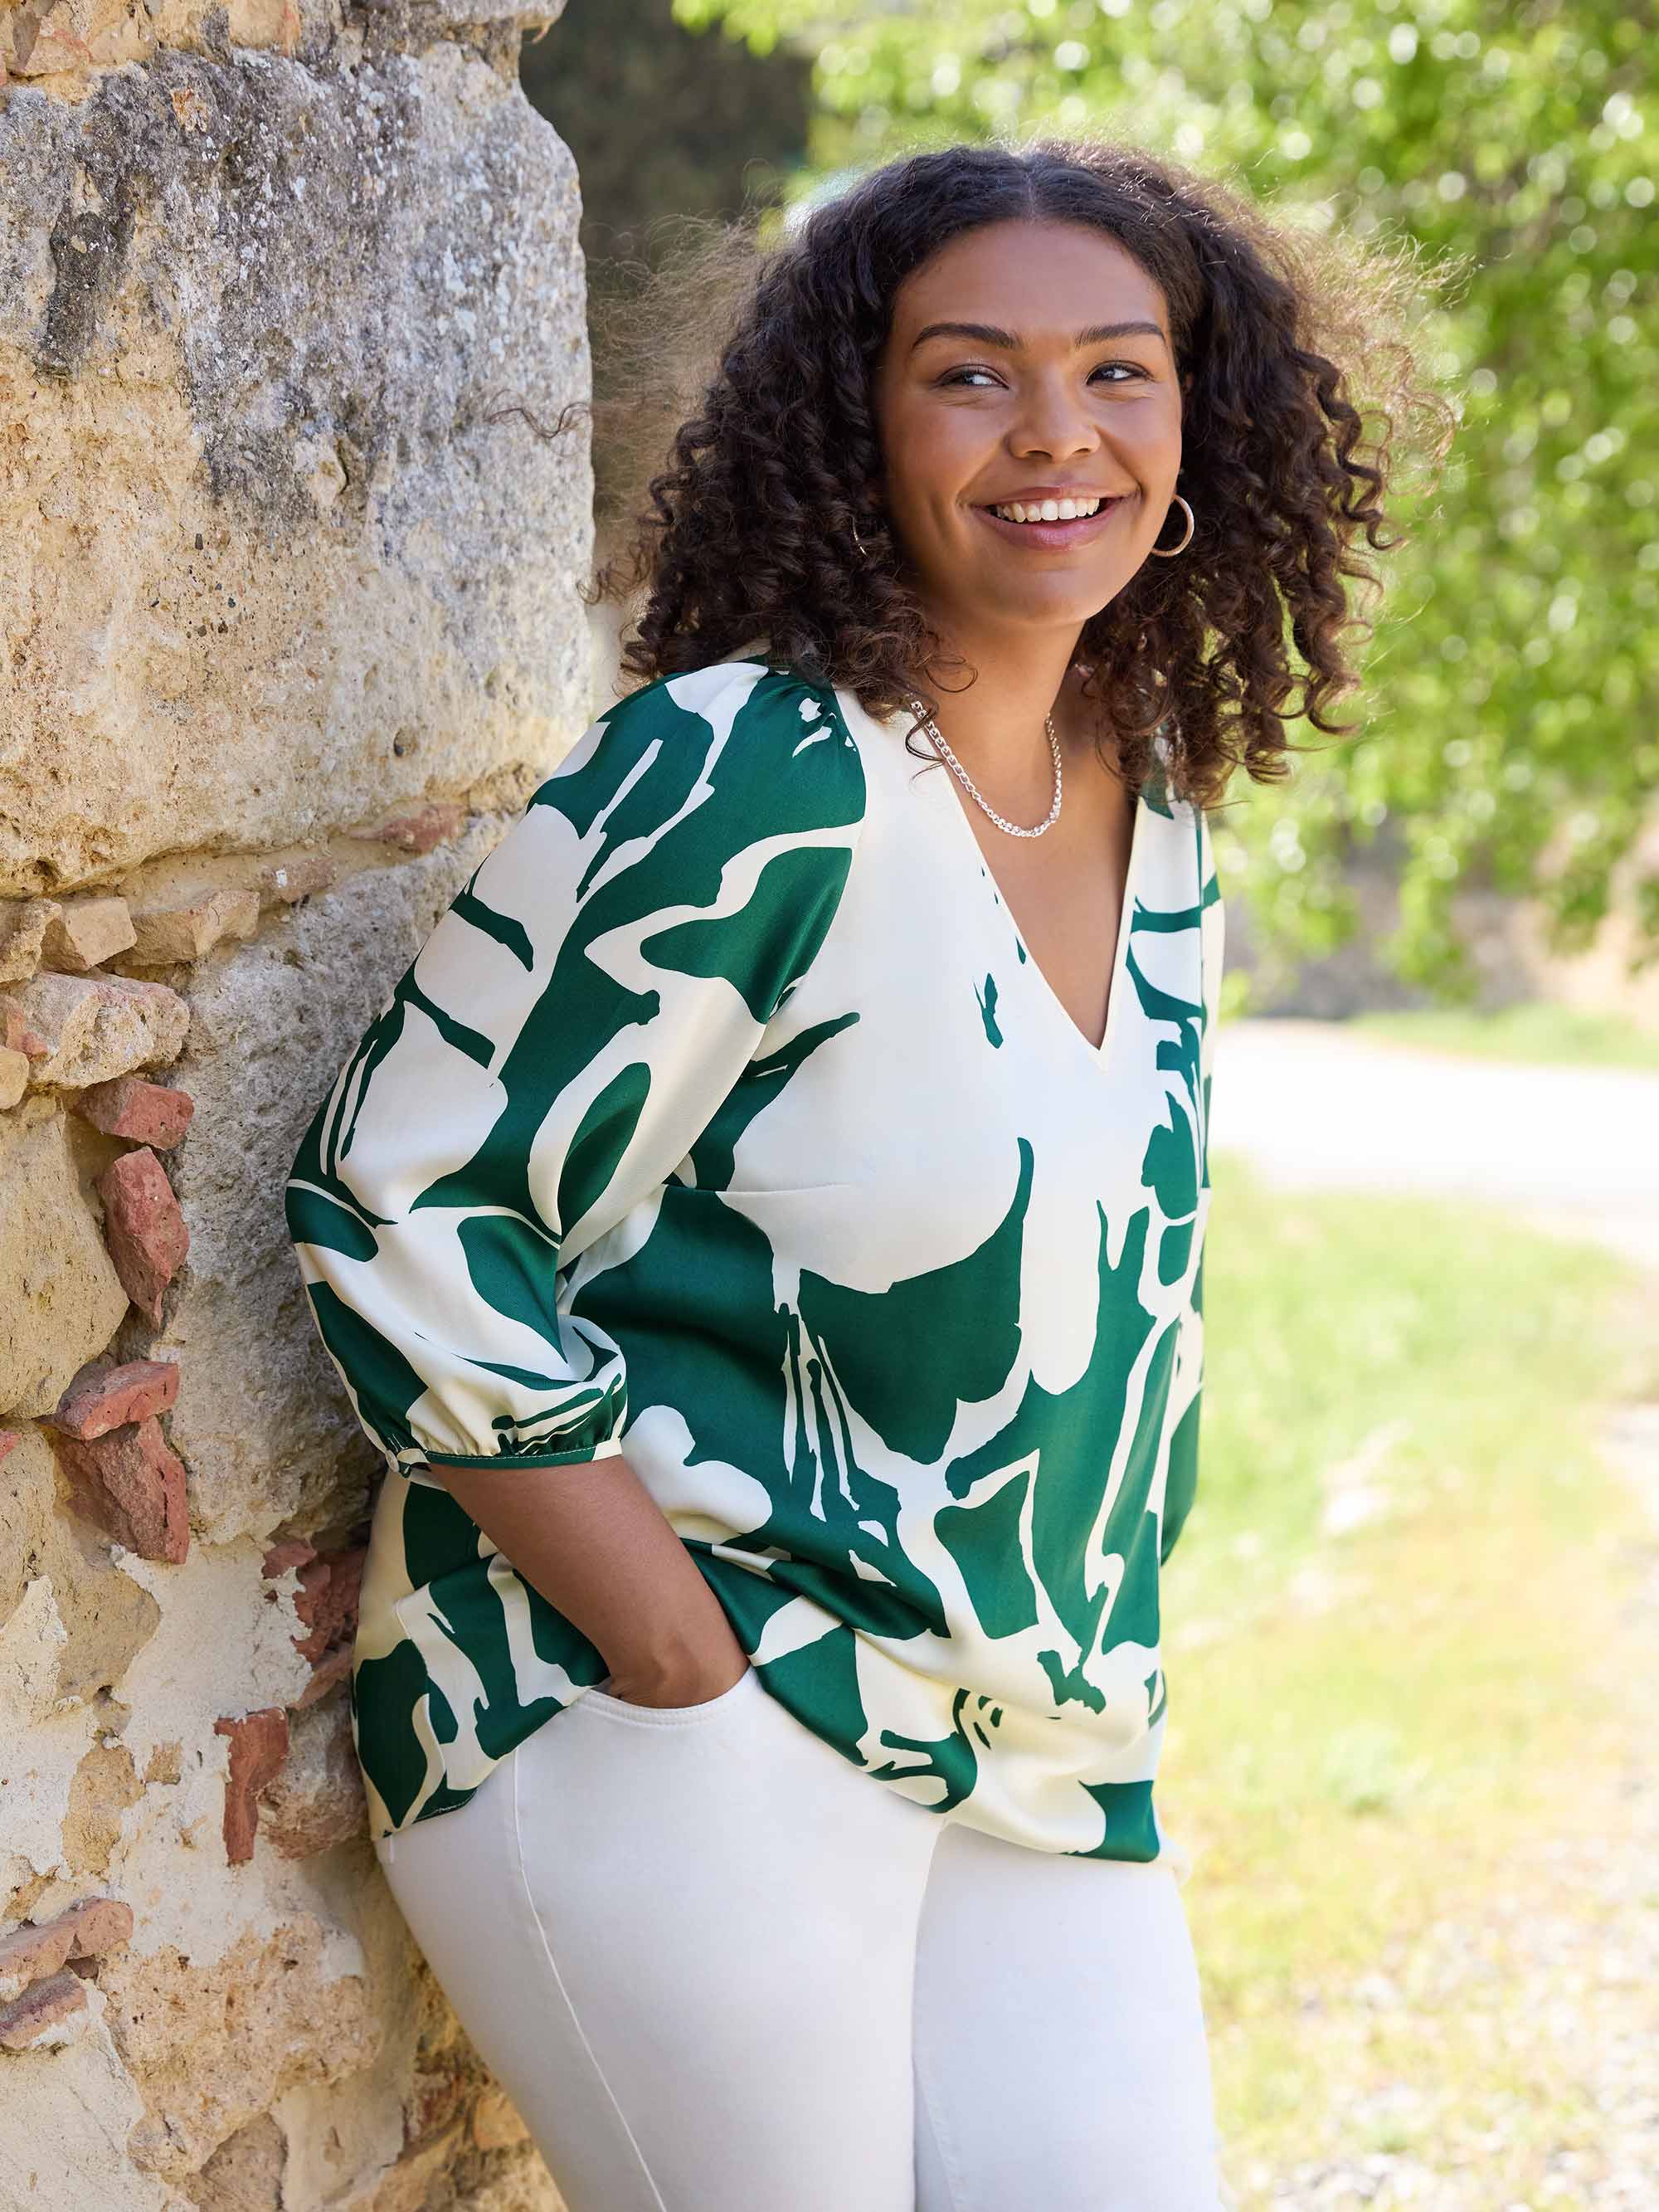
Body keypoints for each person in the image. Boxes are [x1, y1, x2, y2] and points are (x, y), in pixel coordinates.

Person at [285, 137, 1439, 2212]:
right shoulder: (754, 767)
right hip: (684, 1712)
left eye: (1119, 370)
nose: (1055, 433)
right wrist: (673, 1654)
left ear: (1204, 418)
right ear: (858, 413)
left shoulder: (1154, 809)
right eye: (970, 374)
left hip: (1038, 1748)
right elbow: (399, 1189)